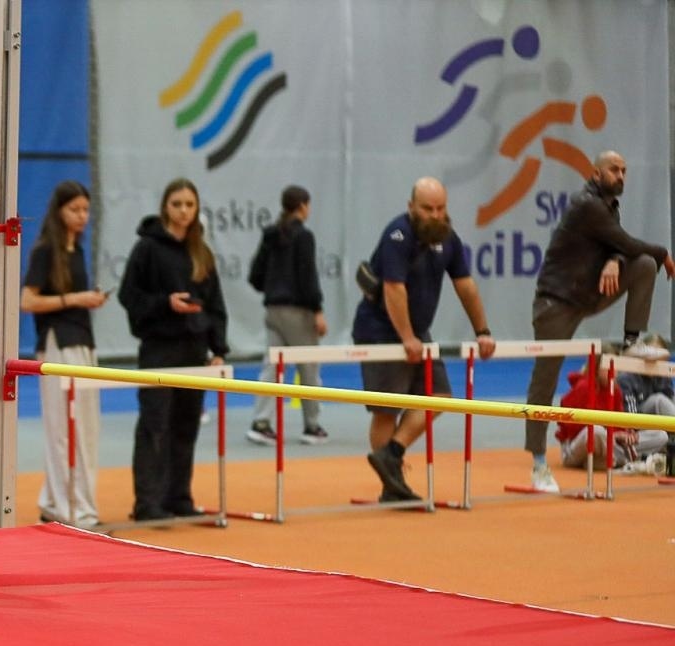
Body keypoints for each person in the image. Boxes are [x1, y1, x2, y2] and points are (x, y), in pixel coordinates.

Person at [524, 150, 674, 493]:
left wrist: (616, 261)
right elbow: (623, 240)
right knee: (543, 382)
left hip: (589, 293)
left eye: (624, 170)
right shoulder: (586, 204)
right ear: (596, 173)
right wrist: (662, 252)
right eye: (613, 169)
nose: (620, 175)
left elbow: (618, 245)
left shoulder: (610, 206)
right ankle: (537, 464)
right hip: (556, 303)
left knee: (642, 267)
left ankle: (631, 340)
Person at [352, 177, 496, 503]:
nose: (435, 215)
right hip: (381, 332)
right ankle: (391, 484)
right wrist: (406, 338)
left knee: (439, 396)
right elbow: (393, 288)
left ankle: (391, 453)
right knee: (386, 411)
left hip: (417, 332)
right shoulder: (398, 234)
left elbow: (466, 285)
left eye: (440, 208)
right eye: (427, 208)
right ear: (411, 207)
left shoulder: (448, 237)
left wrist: (483, 331)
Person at [117, 178, 228, 522]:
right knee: (154, 424)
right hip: (159, 349)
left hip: (195, 351)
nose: (183, 210)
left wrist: (218, 348)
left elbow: (216, 306)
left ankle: (179, 495)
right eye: (177, 203)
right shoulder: (146, 249)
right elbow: (128, 295)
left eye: (190, 205)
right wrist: (165, 304)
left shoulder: (202, 252)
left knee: (186, 425)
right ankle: (147, 502)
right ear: (165, 206)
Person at [20, 180, 106, 528]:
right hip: (58, 345)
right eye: (75, 209)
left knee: (86, 430)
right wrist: (75, 299)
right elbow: (27, 301)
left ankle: (57, 501)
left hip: (84, 342)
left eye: (86, 209)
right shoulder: (45, 251)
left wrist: (90, 300)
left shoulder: (78, 252)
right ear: (59, 211)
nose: (82, 216)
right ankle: (70, 508)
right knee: (62, 430)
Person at [246, 184, 328, 446]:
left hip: (273, 309)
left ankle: (261, 422)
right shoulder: (304, 236)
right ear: (303, 205)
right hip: (298, 310)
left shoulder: (271, 233)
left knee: (271, 366)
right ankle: (312, 426)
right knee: (308, 367)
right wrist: (317, 309)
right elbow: (308, 275)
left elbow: (255, 274)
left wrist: (271, 288)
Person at [554, 361, 673, 476]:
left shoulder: (615, 389)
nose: (612, 371)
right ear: (596, 368)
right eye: (607, 367)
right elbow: (570, 426)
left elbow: (618, 421)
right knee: (596, 431)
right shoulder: (583, 387)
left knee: (660, 435)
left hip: (610, 446)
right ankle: (623, 461)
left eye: (615, 368)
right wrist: (611, 435)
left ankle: (608, 461)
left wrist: (626, 434)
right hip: (577, 447)